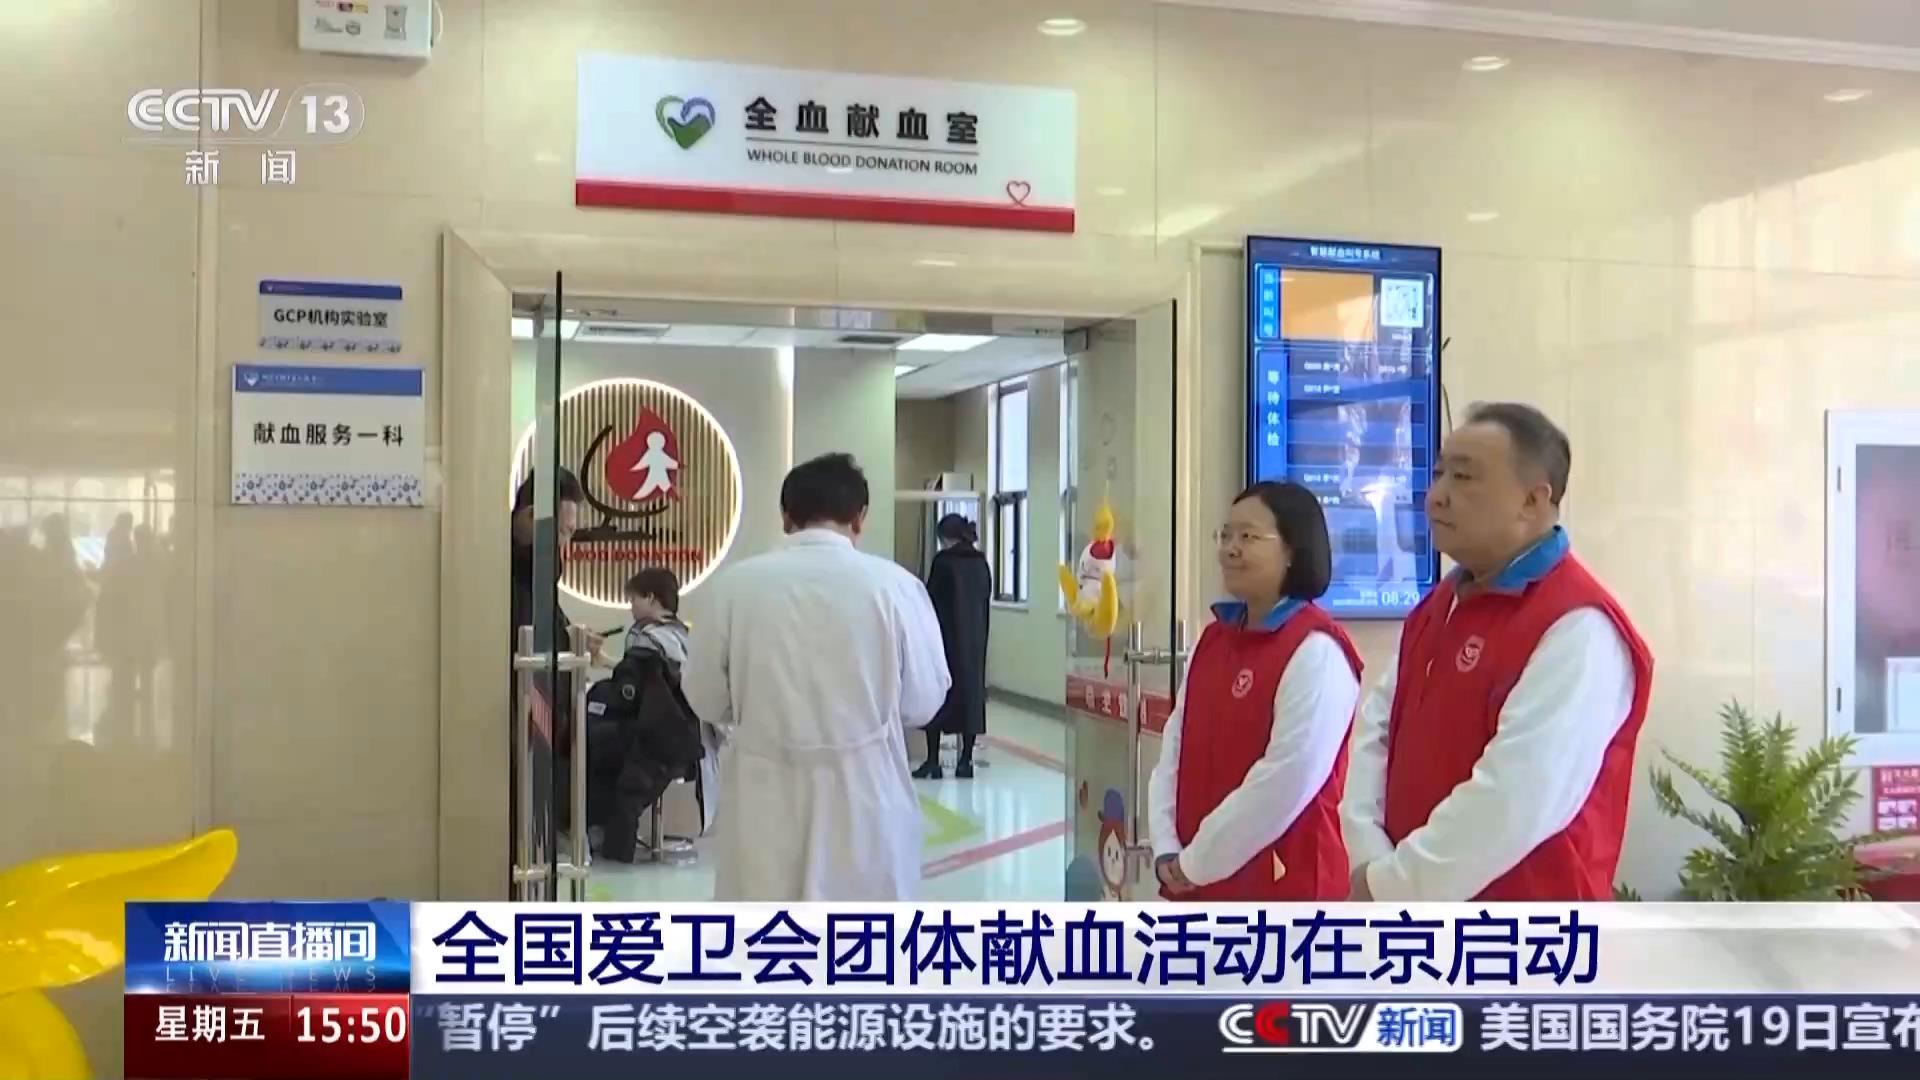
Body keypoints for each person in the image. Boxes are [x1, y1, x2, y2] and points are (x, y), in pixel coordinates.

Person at [1341, 402, 1654, 902]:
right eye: (1438, 474)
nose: (1436, 496)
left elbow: (1515, 800)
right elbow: (1376, 733)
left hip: (1520, 934)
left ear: (1532, 500)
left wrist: (1389, 888)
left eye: (1464, 477)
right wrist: (1366, 858)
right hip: (1404, 918)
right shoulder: (1438, 606)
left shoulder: (1579, 626)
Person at [683, 452, 951, 901]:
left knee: (765, 929)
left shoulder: (734, 587)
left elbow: (704, 696)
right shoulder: (897, 587)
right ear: (859, 517)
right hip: (868, 800)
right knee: (864, 932)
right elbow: (923, 703)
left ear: (786, 517)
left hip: (764, 799)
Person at [1148, 481, 1363, 901]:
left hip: (1285, 892)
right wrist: (1166, 846)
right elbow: (1175, 747)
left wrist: (1195, 864)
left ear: (1292, 551)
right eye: (1225, 535)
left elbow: (1284, 781)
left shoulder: (1317, 649)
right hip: (1195, 878)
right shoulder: (1214, 639)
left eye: (1247, 536)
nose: (1230, 549)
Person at [508, 469, 603, 885]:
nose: (565, 543)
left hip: (543, 714)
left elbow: (546, 623)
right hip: (517, 713)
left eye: (569, 533)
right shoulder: (507, 568)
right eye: (560, 532)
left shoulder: (539, 573)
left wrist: (573, 639)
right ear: (530, 518)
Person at [583, 567, 707, 863]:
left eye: (633, 600)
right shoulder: (683, 637)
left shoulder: (644, 638)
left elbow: (631, 693)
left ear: (651, 598)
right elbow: (654, 684)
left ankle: (604, 840)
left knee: (593, 748)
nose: (631, 607)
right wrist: (605, 662)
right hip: (684, 738)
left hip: (653, 740)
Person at [915, 514, 992, 780]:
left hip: (944, 639)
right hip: (974, 641)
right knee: (971, 698)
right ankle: (965, 761)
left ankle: (933, 762)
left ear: (946, 537)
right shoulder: (981, 563)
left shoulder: (943, 562)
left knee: (937, 697)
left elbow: (929, 600)